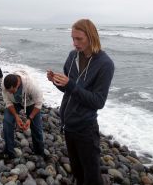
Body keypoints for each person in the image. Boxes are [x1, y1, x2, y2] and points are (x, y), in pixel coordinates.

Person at [47, 19, 114, 185]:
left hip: (85, 128)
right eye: (73, 38)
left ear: (91, 37)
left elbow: (98, 102)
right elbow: (68, 90)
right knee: (77, 171)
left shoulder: (105, 64)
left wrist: (70, 85)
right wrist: (56, 81)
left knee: (91, 175)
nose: (74, 43)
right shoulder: (72, 56)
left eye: (79, 39)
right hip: (68, 124)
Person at [0, 71, 45, 160]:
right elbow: (8, 102)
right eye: (9, 91)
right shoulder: (4, 84)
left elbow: (39, 104)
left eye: (12, 91)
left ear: (18, 84)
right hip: (14, 102)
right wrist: (16, 116)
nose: (10, 93)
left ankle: (39, 152)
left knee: (37, 127)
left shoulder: (32, 85)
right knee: (7, 121)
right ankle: (9, 152)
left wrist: (29, 119)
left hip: (31, 102)